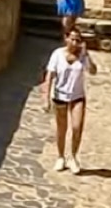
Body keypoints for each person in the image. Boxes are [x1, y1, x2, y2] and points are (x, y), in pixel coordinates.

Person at [40, 27, 97, 173]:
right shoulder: (57, 54)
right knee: (62, 129)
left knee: (77, 127)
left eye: (78, 40)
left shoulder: (82, 56)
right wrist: (45, 97)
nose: (75, 43)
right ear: (66, 39)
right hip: (60, 96)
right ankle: (60, 157)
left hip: (77, 97)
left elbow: (93, 71)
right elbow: (49, 76)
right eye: (72, 39)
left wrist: (87, 55)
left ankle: (73, 157)